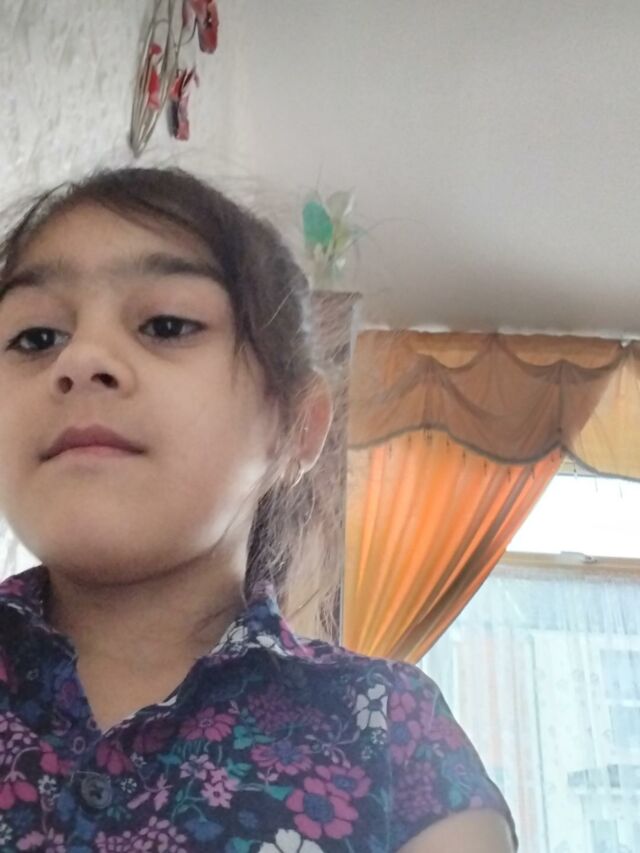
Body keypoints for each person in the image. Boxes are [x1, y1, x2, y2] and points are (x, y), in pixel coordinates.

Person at [0, 167, 518, 852]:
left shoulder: (394, 734)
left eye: (166, 324)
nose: (80, 358)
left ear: (296, 427)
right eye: (36, 337)